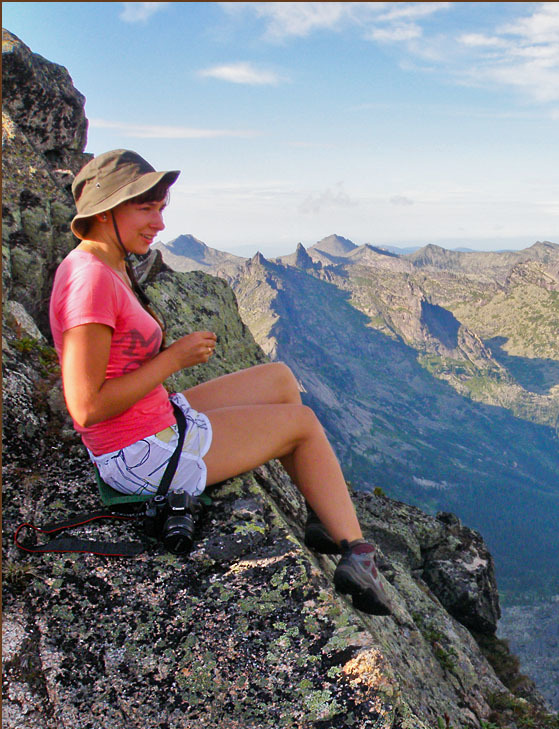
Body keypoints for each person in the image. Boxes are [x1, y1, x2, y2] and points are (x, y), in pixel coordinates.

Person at [49, 149, 393, 615]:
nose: (159, 223)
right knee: (304, 423)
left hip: (151, 420)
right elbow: (86, 407)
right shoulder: (90, 280)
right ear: (106, 211)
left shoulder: (105, 264)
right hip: (140, 453)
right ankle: (357, 551)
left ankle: (323, 517)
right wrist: (173, 359)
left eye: (161, 209)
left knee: (278, 378)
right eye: (146, 208)